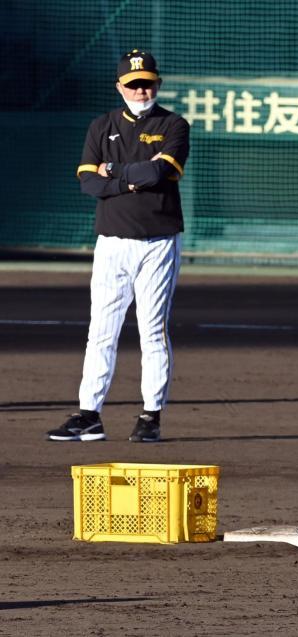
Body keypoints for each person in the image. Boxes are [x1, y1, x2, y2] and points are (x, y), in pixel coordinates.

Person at [46, 49, 190, 443]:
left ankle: (150, 416)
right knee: (101, 331)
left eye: (147, 83)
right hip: (112, 242)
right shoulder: (102, 125)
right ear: (120, 87)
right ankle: (89, 415)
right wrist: (131, 179)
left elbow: (159, 171)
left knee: (152, 331)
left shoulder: (174, 124)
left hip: (158, 242)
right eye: (134, 84)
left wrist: (114, 171)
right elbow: (88, 182)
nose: (141, 90)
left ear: (157, 84)